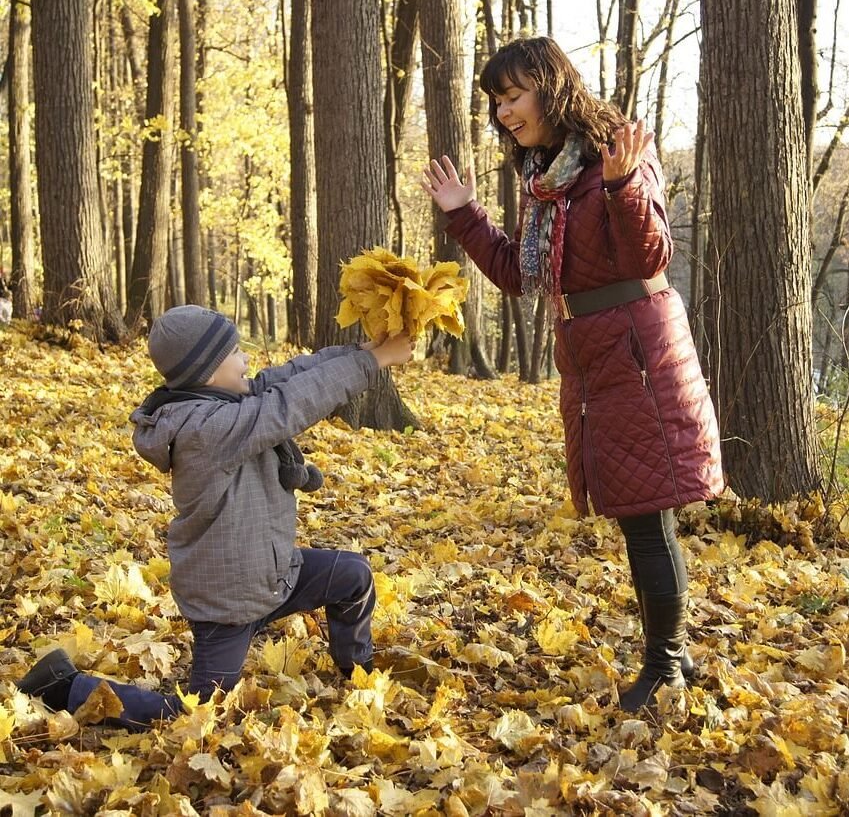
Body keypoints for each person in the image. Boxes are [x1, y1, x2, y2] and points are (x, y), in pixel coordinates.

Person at [422, 36, 723, 712]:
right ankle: (670, 649)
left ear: (550, 86)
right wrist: (463, 215)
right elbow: (517, 275)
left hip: (637, 353)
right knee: (634, 513)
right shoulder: (545, 175)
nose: (502, 112)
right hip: (591, 358)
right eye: (495, 102)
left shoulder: (613, 154)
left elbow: (649, 252)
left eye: (512, 96)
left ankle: (665, 666)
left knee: (645, 517)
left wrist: (621, 185)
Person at [17, 305, 413, 729]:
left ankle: (358, 670)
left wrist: (358, 349)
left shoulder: (217, 403)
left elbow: (282, 380)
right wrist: (373, 362)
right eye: (237, 352)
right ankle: (65, 686)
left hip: (271, 573)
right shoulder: (208, 429)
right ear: (206, 371)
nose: (247, 361)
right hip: (228, 600)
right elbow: (291, 404)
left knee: (353, 576)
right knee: (200, 714)